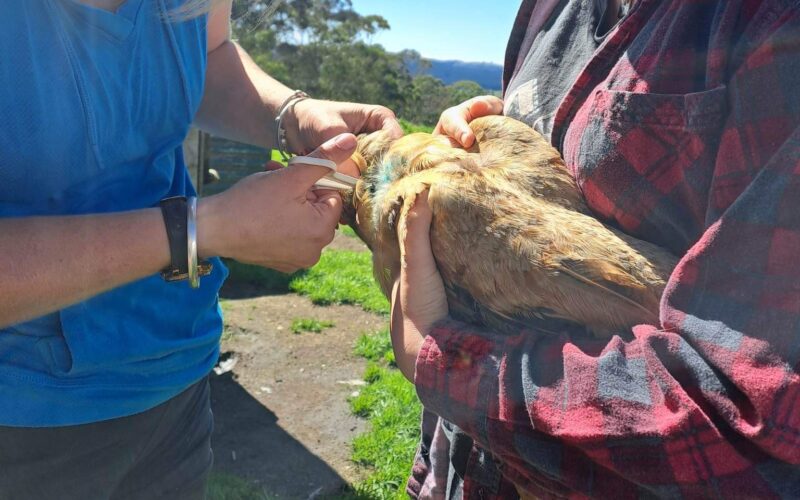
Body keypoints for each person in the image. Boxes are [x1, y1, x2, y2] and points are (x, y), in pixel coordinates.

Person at [390, 0, 800, 498]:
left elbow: (756, 428)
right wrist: (493, 136)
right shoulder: (546, 9)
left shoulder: (771, 23)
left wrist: (442, 361)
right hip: (473, 468)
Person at [0, 0, 400, 498]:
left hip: (178, 378)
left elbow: (207, 52)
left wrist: (291, 114)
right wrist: (198, 232)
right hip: (24, 418)